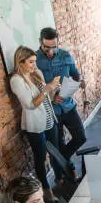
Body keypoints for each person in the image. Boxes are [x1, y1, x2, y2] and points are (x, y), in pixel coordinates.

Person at [10, 46, 61, 202]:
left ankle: (60, 179)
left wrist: (53, 90)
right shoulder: (16, 80)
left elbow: (46, 98)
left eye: (35, 61)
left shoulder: (36, 74)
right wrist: (47, 88)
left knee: (56, 152)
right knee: (40, 158)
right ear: (21, 62)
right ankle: (47, 191)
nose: (34, 65)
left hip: (49, 119)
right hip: (35, 126)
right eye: (31, 62)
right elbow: (31, 105)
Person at [36, 27, 87, 182]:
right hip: (50, 110)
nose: (51, 51)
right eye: (47, 47)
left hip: (68, 106)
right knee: (57, 144)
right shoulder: (34, 61)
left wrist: (80, 81)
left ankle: (62, 160)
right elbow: (34, 88)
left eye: (54, 47)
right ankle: (60, 178)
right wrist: (51, 98)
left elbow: (75, 73)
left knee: (80, 138)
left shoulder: (65, 55)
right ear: (40, 42)